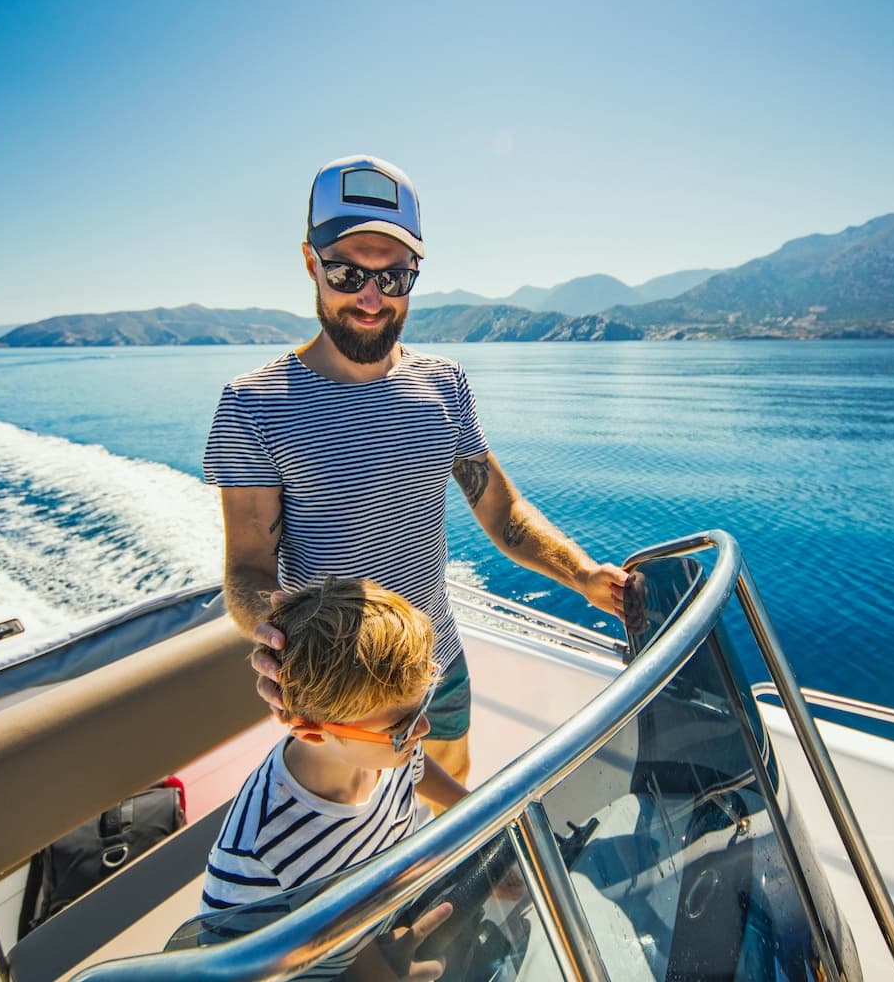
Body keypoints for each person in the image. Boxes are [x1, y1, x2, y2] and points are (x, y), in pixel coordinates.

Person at [203, 153, 629, 788]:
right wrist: (274, 634)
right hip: (337, 689)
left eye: (394, 277)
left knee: (449, 797)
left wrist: (586, 575)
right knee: (352, 830)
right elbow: (247, 568)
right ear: (310, 264)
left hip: (437, 661)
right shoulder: (254, 404)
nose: (371, 298)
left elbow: (502, 512)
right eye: (348, 272)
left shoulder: (444, 384)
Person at [199, 577, 464, 980]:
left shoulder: (389, 753)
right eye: (402, 724)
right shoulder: (258, 853)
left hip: (388, 915)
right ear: (312, 731)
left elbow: (418, 771)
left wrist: (477, 809)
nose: (423, 728)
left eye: (421, 705)